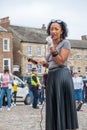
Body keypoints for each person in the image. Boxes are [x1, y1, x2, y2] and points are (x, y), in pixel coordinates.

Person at [37, 19, 78, 130]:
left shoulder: (65, 43)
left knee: (64, 104)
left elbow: (60, 61)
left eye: (56, 29)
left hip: (62, 75)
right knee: (53, 104)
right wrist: (41, 62)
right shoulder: (50, 44)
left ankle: (67, 126)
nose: (53, 31)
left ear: (61, 31)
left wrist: (52, 48)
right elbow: (51, 63)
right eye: (51, 29)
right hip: (52, 76)